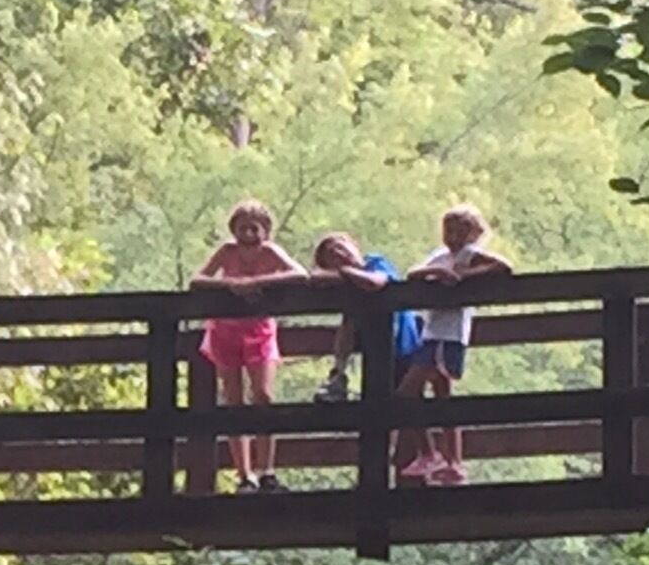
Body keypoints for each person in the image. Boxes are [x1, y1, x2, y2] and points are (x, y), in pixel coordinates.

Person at [189, 199, 307, 493]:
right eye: (242, 228)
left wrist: (258, 281)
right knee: (233, 401)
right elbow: (197, 279)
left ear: (265, 231)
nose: (249, 234)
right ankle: (245, 475)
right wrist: (230, 285)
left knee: (264, 396)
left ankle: (267, 470)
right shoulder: (226, 252)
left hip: (259, 329)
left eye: (255, 228)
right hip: (224, 329)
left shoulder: (270, 252)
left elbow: (300, 274)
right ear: (234, 230)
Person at [401, 206, 514, 486]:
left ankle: (433, 454)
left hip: (448, 336)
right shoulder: (441, 257)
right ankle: (451, 462)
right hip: (432, 333)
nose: (452, 236)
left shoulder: (468, 256)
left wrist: (465, 276)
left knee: (406, 394)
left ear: (473, 233)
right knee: (442, 398)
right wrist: (438, 272)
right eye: (448, 230)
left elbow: (503, 266)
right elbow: (412, 273)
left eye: (459, 231)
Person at [309, 232, 421, 405]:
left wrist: (344, 271)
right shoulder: (348, 287)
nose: (339, 253)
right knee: (394, 412)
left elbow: (375, 282)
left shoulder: (375, 262)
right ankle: (338, 374)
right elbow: (314, 278)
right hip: (378, 353)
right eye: (332, 256)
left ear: (354, 245)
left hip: (404, 346)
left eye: (341, 246)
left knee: (408, 409)